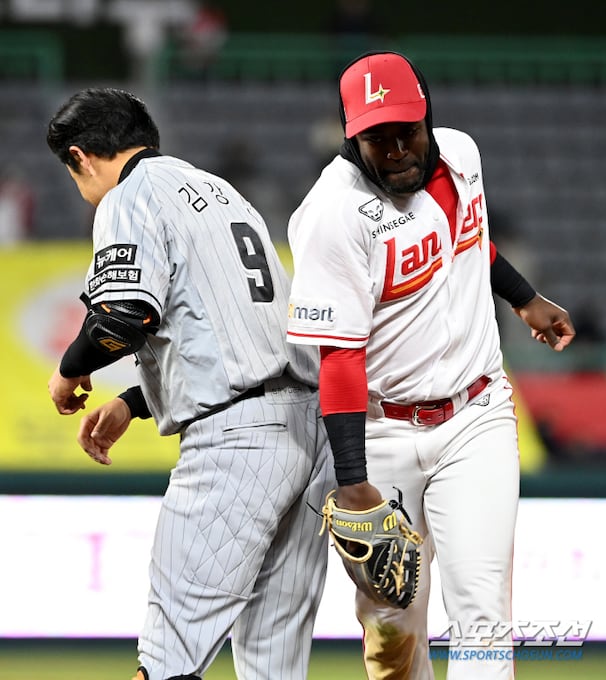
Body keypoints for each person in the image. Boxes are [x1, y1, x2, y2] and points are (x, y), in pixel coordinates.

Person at [286, 52, 576, 680]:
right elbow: (339, 357)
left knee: (482, 610)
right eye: (377, 137)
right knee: (392, 629)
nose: (396, 150)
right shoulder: (332, 214)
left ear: (428, 118)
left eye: (407, 131)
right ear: (351, 137)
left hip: (476, 414)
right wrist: (353, 480)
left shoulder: (462, 154)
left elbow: (467, 237)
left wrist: (524, 297)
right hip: (382, 430)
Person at [45, 87, 334, 680]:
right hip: (311, 429)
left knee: (169, 659)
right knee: (275, 664)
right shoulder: (221, 193)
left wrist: (70, 371)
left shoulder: (128, 196)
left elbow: (124, 316)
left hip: (237, 446)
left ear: (79, 157)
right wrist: (135, 402)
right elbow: (231, 331)